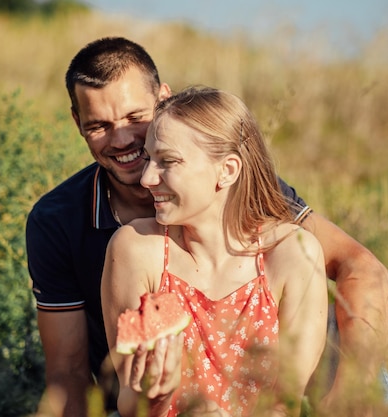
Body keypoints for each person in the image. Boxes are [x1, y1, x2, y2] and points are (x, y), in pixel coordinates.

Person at [26, 36, 388, 417]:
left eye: (135, 118)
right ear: (78, 122)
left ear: (163, 100)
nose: (121, 140)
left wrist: (353, 390)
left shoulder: (241, 193)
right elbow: (68, 371)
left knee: (347, 332)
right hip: (147, 401)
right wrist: (151, 391)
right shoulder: (65, 223)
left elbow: (361, 268)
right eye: (99, 125)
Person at [101, 86, 328, 417]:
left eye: (168, 161)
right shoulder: (135, 249)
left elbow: (284, 404)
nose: (147, 177)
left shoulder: (292, 254)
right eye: (150, 158)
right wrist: (156, 397)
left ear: (228, 170)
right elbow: (129, 400)